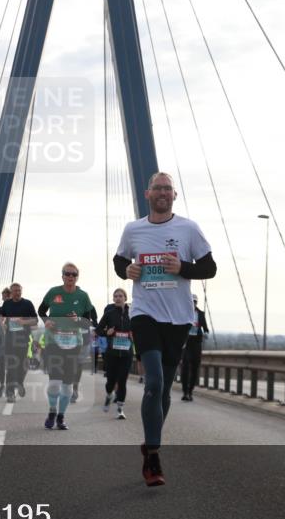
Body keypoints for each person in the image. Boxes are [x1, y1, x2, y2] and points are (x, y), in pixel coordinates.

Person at [114, 172, 216, 486]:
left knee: (165, 389)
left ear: (174, 195)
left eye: (168, 189)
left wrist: (183, 268)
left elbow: (210, 268)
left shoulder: (188, 228)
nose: (162, 192)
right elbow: (119, 261)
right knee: (154, 382)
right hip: (145, 314)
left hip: (179, 319)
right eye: (157, 188)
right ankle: (155, 456)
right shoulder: (134, 229)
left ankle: (150, 445)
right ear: (148, 194)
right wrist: (126, 270)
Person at [38, 262, 97, 430]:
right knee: (54, 382)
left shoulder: (83, 296)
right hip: (53, 343)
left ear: (77, 277)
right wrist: (47, 320)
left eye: (74, 274)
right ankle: (51, 412)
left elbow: (91, 321)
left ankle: (61, 417)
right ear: (62, 275)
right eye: (67, 274)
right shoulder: (54, 292)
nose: (70, 277)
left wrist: (78, 320)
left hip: (73, 345)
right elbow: (41, 310)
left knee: (67, 384)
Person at [0, 283, 37, 403]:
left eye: (19, 290)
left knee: (23, 366)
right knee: (11, 366)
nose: (17, 293)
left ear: (21, 291)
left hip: (23, 339)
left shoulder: (27, 304)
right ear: (11, 292)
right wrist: (2, 323)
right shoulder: (7, 303)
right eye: (15, 291)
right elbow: (2, 316)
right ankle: (10, 393)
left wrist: (23, 322)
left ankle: (20, 382)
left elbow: (35, 320)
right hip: (10, 339)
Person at [96, 288, 132, 419]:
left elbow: (140, 329)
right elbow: (98, 330)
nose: (118, 298)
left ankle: (120, 409)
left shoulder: (132, 313)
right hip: (112, 353)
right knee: (110, 381)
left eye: (120, 296)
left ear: (125, 298)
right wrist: (107, 333)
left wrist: (135, 335)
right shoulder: (109, 313)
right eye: (115, 296)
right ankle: (109, 395)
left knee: (122, 381)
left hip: (127, 353)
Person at [179, 294, 210, 401]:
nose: (193, 304)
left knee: (195, 367)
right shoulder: (183, 312)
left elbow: (205, 327)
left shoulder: (201, 314)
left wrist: (206, 333)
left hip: (196, 343)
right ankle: (185, 391)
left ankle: (190, 391)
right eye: (192, 301)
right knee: (185, 367)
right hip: (186, 343)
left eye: (195, 302)